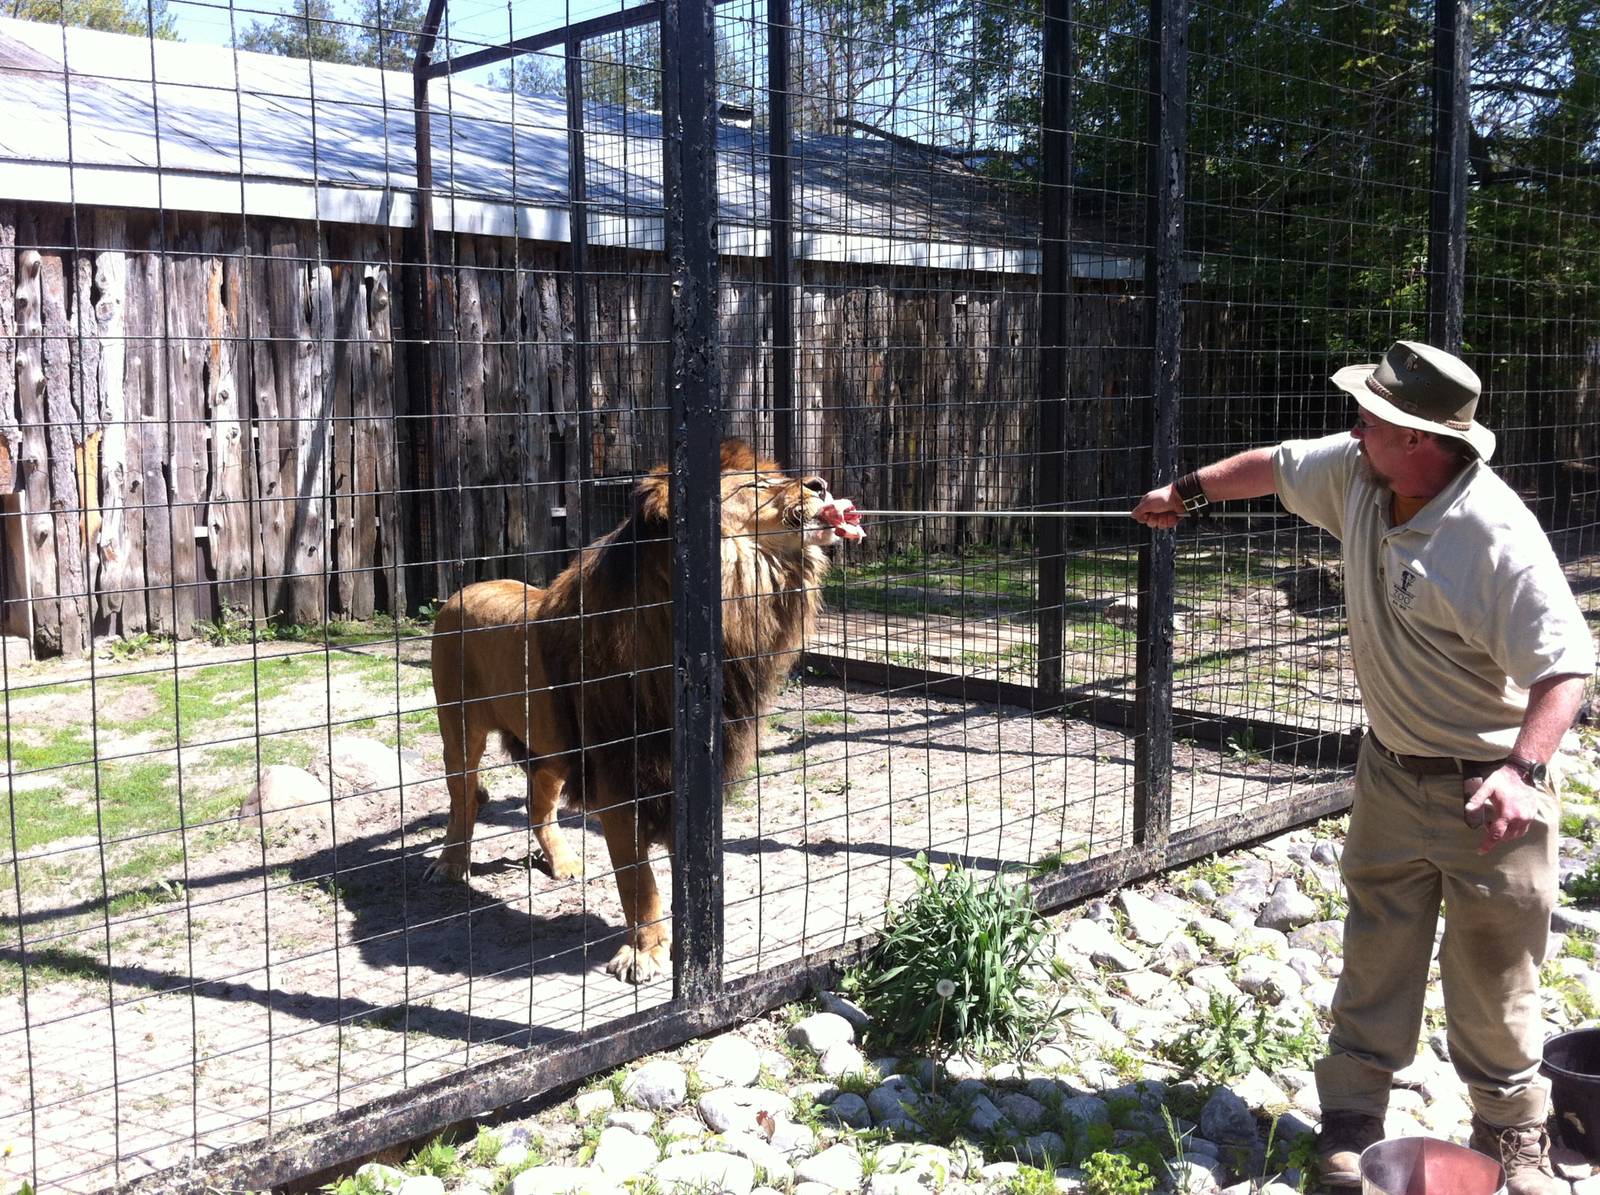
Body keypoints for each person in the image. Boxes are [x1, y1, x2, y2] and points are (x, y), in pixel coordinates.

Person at [1132, 342, 1596, 1193]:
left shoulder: (1494, 537)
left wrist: (1521, 772)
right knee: (1375, 946)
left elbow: (1566, 666)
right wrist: (1186, 492)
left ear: (1421, 441)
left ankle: (1512, 1129)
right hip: (1389, 769)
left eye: (1374, 418)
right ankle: (1351, 1115)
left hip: (1488, 789)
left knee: (1496, 965)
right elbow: (1272, 467)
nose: (1355, 426)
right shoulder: (1360, 472)